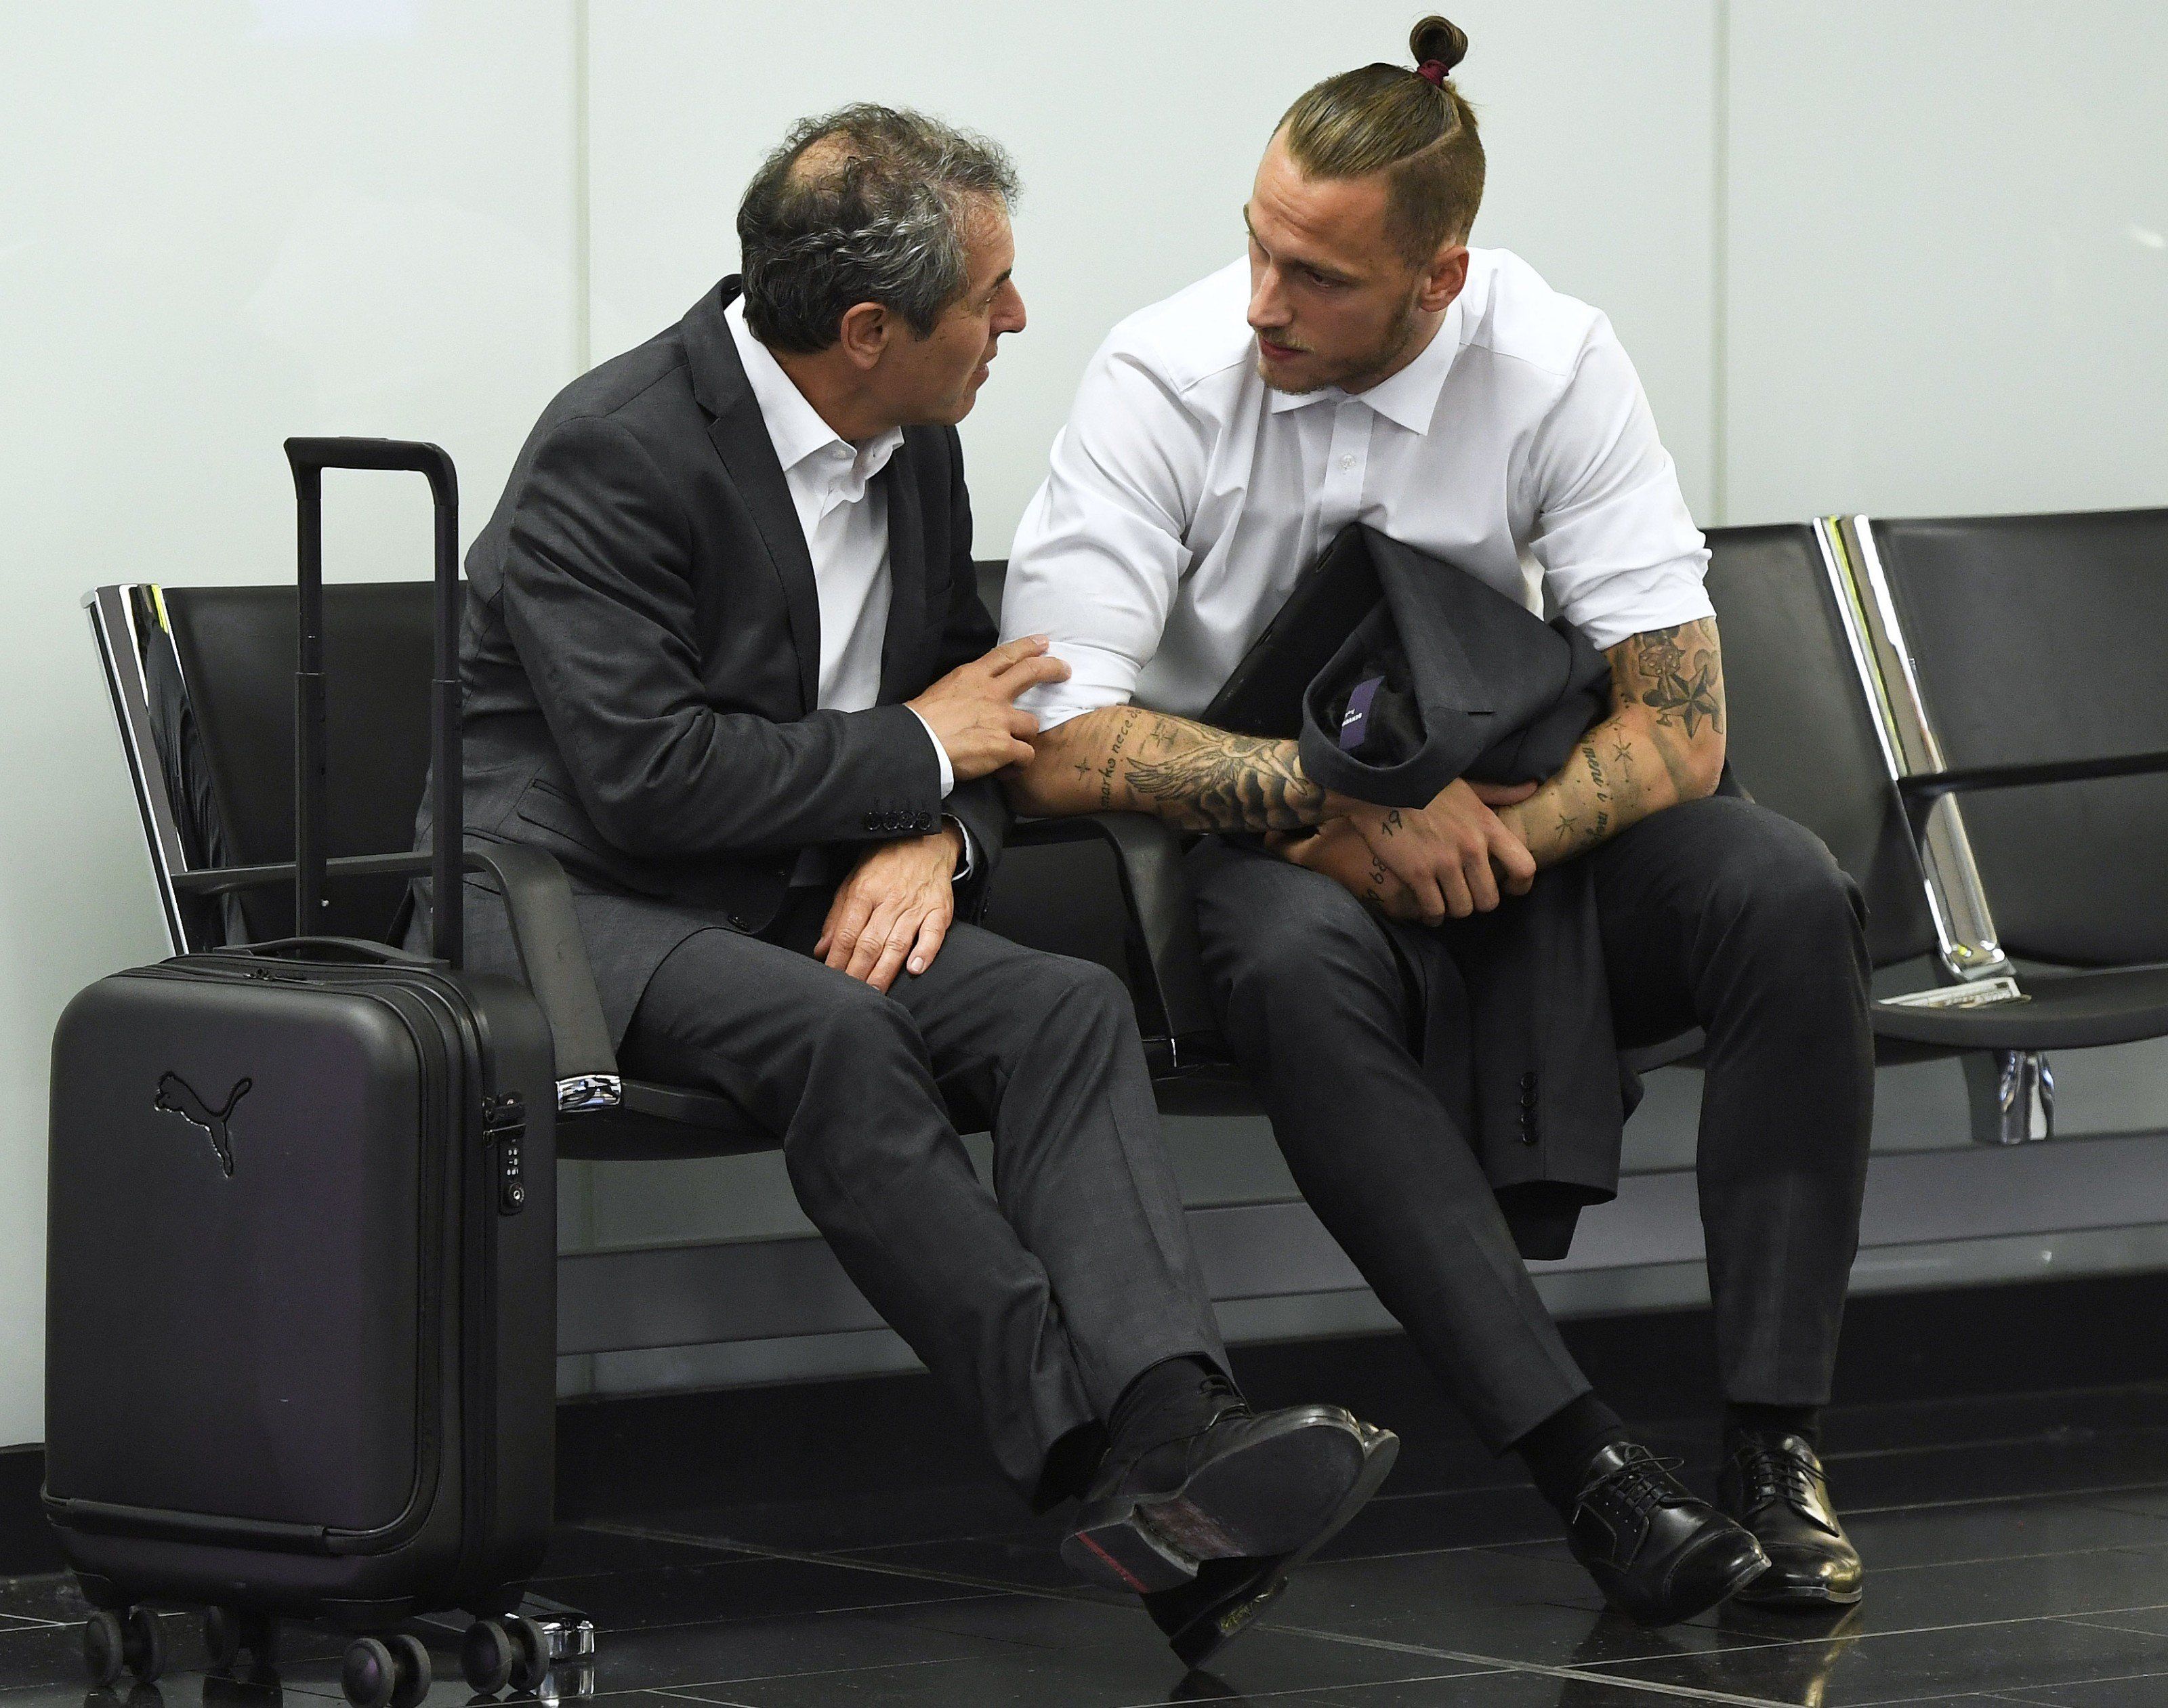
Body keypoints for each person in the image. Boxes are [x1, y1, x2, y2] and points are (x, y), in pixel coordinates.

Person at [411, 104, 1392, 1665]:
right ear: (867, 330)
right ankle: (1095, 1464)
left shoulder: (917, 440)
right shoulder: (615, 449)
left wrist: (927, 829)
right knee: (841, 1035)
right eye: (987, 294)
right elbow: (647, 778)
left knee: (1064, 1010)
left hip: (789, 888)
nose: (1016, 320)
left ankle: (1181, 1428)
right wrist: (911, 755)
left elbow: (971, 704)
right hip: (567, 908)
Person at [1001, 19, 1872, 1627]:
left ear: (1439, 279)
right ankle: (1590, 1469)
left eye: (1319, 276)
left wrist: (1504, 842)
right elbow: (1054, 741)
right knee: (1284, 961)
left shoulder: (1551, 357)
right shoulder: (1163, 373)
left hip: (1518, 831)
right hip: (1282, 861)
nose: (1267, 299)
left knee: (1783, 888)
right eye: (1256, 246)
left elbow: (1683, 723)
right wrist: (1338, 810)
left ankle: (1775, 1445)